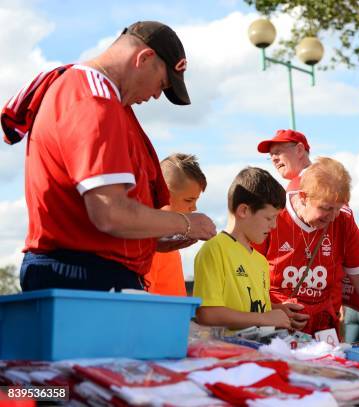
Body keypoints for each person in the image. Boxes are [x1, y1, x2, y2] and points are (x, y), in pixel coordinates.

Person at [13, 21, 216, 292]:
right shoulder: (94, 99)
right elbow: (111, 213)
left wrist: (152, 239)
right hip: (82, 273)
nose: (156, 95)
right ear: (144, 58)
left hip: (85, 269)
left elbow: (95, 218)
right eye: (162, 84)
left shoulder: (95, 94)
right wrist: (187, 223)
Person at [257, 157, 359, 348]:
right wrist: (274, 308)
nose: (332, 217)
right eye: (326, 208)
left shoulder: (343, 219)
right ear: (303, 197)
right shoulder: (274, 215)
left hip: (323, 327)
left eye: (337, 208)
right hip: (277, 328)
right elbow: (246, 279)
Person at [193, 167, 306, 330]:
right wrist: (264, 318)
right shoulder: (214, 249)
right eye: (269, 217)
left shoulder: (260, 260)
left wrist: (277, 310)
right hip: (229, 353)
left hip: (258, 351)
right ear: (244, 210)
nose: (274, 225)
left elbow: (250, 309)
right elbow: (207, 314)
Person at [147, 154, 207, 296]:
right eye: (188, 200)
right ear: (163, 192)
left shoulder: (171, 243)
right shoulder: (146, 240)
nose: (194, 208)